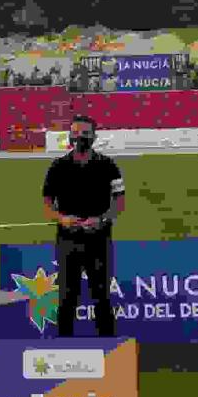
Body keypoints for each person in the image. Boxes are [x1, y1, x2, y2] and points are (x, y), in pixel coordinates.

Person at [42, 115, 126, 337]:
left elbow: (120, 203)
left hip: (99, 239)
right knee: (66, 298)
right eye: (76, 134)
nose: (80, 138)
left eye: (85, 134)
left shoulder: (109, 166)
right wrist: (63, 219)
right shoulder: (58, 167)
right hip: (68, 240)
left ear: (94, 137)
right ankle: (63, 349)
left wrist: (102, 220)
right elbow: (47, 206)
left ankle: (109, 349)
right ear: (69, 137)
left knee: (102, 297)